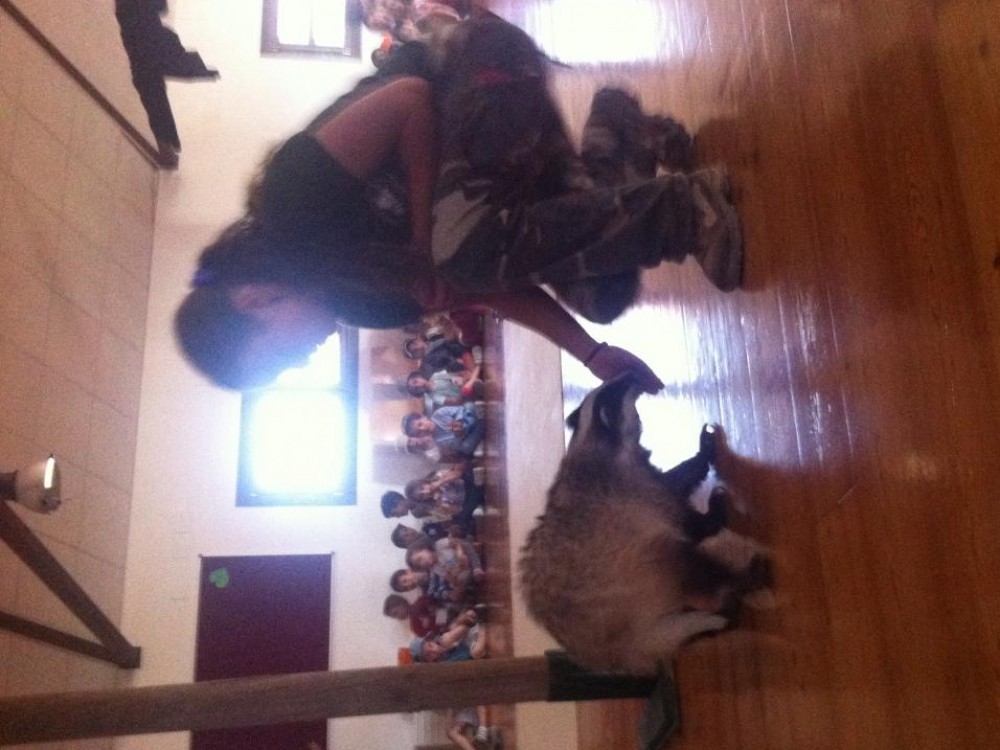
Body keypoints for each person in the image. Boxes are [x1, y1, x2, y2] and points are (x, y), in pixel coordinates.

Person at [175, 15, 738, 393]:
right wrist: (592, 354)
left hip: (479, 71)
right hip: (500, 170)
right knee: (601, 294)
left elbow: (410, 99)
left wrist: (424, 244)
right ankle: (618, 132)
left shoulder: (291, 201)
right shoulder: (360, 303)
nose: (301, 362)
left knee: (455, 250)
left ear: (253, 299)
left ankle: (691, 209)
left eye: (280, 360)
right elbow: (485, 286)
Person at [114, 0, 219, 168]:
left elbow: (159, 8)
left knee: (152, 89)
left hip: (143, 43)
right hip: (146, 41)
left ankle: (167, 144)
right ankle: (167, 144)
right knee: (153, 89)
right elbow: (160, 8)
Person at [409, 611, 498, 750]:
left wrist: (466, 620)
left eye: (430, 647)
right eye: (429, 655)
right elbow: (451, 694)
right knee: (451, 732)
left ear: (430, 641)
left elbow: (466, 626)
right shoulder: (438, 670)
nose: (434, 651)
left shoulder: (443, 641)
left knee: (476, 652)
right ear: (428, 662)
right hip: (469, 678)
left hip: (472, 653)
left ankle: (483, 729)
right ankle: (478, 741)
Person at [402, 404, 485, 459]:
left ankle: (479, 421)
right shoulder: (438, 441)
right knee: (466, 447)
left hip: (467, 418)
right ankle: (482, 424)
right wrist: (458, 435)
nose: (423, 429)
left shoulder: (439, 413)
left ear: (423, 417)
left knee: (468, 405)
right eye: (419, 433)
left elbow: (459, 410)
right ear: (420, 437)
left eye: (420, 424)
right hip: (467, 434)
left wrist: (458, 420)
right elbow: (457, 445)